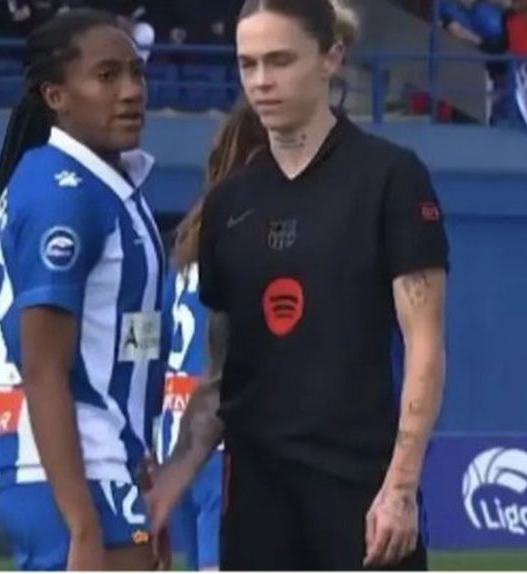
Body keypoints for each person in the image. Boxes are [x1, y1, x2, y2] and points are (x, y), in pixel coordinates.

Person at [149, 0, 449, 570]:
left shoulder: (390, 178)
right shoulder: (230, 204)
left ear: (330, 58)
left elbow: (425, 345)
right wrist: (169, 485)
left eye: (280, 60)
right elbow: (222, 376)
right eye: (248, 64)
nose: (261, 81)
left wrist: (401, 486)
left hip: (361, 495)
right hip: (256, 501)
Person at [0, 9, 165, 571]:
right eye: (106, 76)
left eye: (136, 73)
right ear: (56, 95)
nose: (131, 91)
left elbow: (120, 344)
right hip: (68, 463)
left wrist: (140, 461)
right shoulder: (64, 194)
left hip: (103, 457)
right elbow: (42, 367)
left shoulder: (102, 184)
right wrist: (81, 522)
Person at [155, 100, 267, 571]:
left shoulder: (187, 247)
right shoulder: (256, 238)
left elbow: (150, 344)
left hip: (174, 437)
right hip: (226, 438)